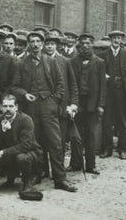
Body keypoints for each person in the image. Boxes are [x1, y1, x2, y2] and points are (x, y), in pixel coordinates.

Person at [11, 31, 76, 192]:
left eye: (38, 41)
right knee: (35, 143)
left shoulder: (51, 61)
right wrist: (25, 94)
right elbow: (14, 86)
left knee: (55, 143)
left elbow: (61, 85)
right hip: (31, 107)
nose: (35, 44)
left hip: (49, 105)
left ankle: (60, 179)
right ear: (28, 44)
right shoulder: (22, 63)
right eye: (31, 41)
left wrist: (53, 101)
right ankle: (37, 174)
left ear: (42, 44)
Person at [100, 30, 126, 160]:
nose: (116, 40)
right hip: (108, 93)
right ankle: (108, 149)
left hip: (122, 93)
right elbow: (97, 72)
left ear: (121, 40)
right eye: (114, 38)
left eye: (119, 38)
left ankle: (122, 149)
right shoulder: (103, 54)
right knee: (107, 122)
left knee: (123, 122)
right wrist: (104, 76)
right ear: (110, 40)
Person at [68, 33, 106, 174]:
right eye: (82, 43)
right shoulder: (72, 61)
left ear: (92, 45)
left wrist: (101, 105)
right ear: (79, 45)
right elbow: (70, 84)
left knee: (90, 134)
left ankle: (91, 165)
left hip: (92, 104)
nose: (85, 46)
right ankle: (75, 163)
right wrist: (72, 104)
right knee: (76, 135)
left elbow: (103, 86)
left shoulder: (99, 62)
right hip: (77, 104)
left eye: (88, 43)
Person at [0, 94, 42, 192]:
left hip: (30, 153)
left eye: (11, 106)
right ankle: (10, 179)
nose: (8, 109)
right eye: (5, 106)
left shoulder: (25, 120)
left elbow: (26, 146)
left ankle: (28, 182)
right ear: (1, 107)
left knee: (21, 158)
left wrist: (2, 153)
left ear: (16, 107)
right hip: (11, 153)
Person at [43, 34, 78, 174]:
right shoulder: (41, 60)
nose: (49, 46)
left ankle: (59, 170)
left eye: (52, 44)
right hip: (45, 107)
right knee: (44, 139)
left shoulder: (65, 61)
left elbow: (73, 85)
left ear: (57, 45)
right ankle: (44, 170)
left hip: (62, 106)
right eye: (47, 44)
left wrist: (74, 104)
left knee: (61, 140)